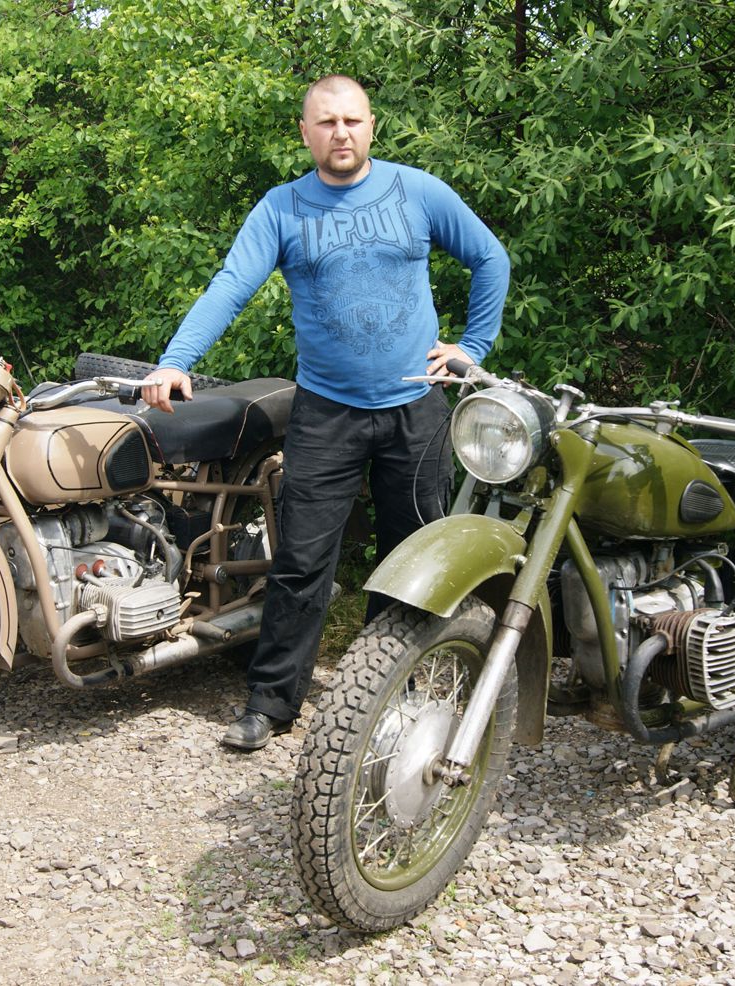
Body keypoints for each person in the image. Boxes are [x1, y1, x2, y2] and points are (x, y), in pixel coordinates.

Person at [142, 74, 510, 750]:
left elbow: (490, 257)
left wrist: (472, 348)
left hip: (417, 408)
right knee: (302, 562)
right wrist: (175, 360)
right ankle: (271, 703)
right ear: (305, 132)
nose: (341, 132)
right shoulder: (282, 208)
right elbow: (231, 285)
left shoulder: (417, 192)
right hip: (326, 412)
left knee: (414, 559)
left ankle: (392, 694)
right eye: (327, 122)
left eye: (352, 120)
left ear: (371, 126)